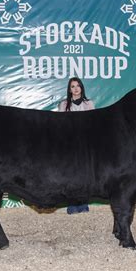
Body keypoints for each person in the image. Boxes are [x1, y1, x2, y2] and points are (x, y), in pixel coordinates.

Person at [58, 77, 95, 214]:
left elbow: (93, 124)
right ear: (69, 89)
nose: (76, 88)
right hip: (70, 144)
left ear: (82, 88)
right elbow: (60, 125)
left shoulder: (89, 103)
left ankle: (84, 203)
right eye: (73, 86)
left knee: (85, 174)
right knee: (71, 174)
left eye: (78, 85)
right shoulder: (64, 104)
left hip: (86, 144)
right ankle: (72, 204)